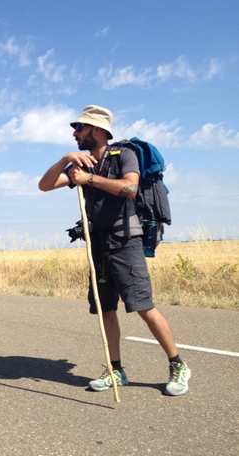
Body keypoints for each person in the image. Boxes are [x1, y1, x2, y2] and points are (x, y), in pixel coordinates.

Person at [38, 105, 191, 396]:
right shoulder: (79, 163)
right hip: (99, 245)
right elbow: (44, 185)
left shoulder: (124, 154)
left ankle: (178, 365)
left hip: (126, 242)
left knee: (143, 306)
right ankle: (116, 370)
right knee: (106, 309)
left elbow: (130, 189)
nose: (74, 133)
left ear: (96, 130)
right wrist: (65, 160)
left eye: (79, 128)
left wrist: (90, 180)